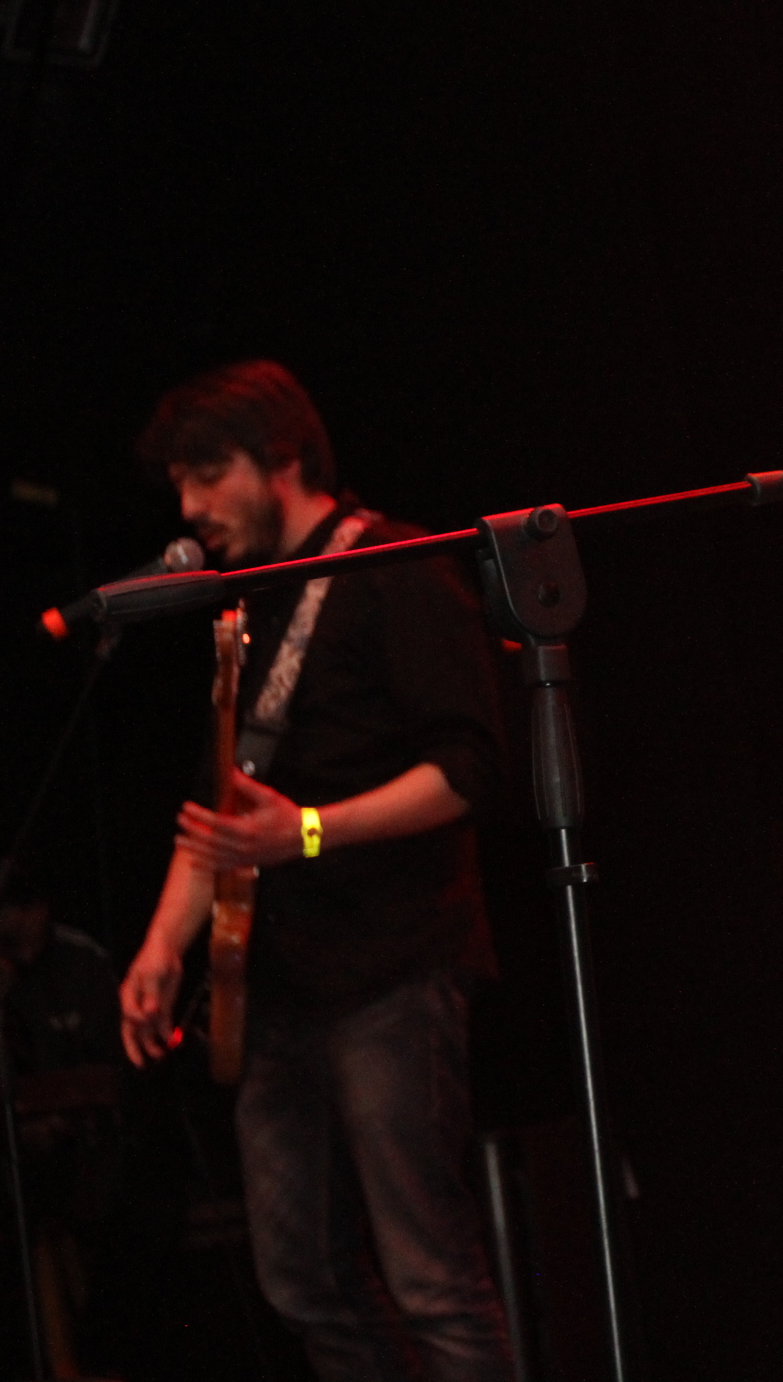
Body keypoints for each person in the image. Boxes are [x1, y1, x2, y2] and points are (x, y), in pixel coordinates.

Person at [115, 359, 514, 1382]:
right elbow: (222, 807)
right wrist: (162, 948)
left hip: (394, 966)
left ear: (281, 459)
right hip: (277, 990)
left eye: (208, 475)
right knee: (300, 1279)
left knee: (431, 1277)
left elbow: (469, 769)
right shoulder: (250, 600)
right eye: (180, 484)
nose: (190, 508)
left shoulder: (396, 564)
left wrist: (306, 832)